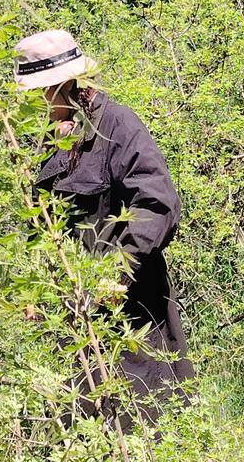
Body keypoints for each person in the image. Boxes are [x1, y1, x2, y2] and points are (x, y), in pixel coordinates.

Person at [14, 29, 194, 423]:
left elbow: (157, 202)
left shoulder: (117, 125)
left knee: (143, 421)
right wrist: (35, 288)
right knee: (80, 426)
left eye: (37, 92)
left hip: (128, 307)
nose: (31, 101)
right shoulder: (46, 136)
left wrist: (117, 273)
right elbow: (43, 222)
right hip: (70, 310)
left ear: (64, 84)